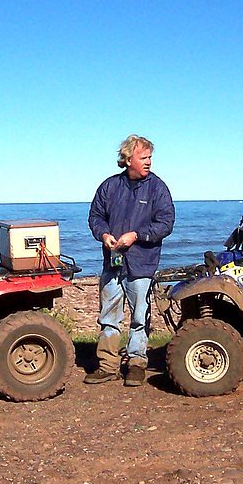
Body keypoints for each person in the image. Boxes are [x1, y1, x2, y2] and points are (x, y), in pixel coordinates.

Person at [86, 134, 175, 386]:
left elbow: (166, 223)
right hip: (112, 263)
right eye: (143, 157)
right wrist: (104, 235)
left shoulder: (157, 188)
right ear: (127, 159)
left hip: (142, 264)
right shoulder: (110, 186)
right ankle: (107, 365)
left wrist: (136, 235)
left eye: (150, 157)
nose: (148, 162)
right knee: (109, 317)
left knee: (139, 316)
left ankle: (137, 363)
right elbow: (95, 217)